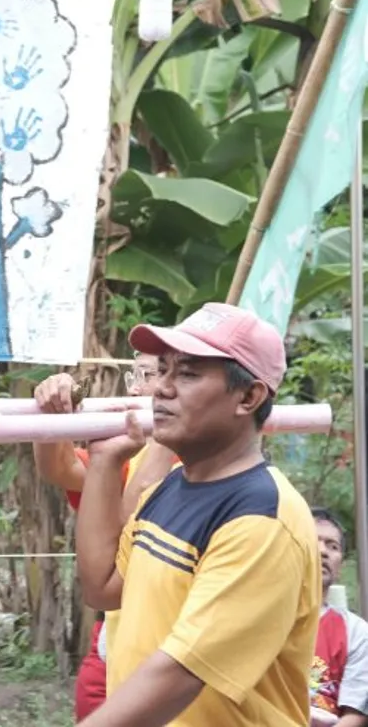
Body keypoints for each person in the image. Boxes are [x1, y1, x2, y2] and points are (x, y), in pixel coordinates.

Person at [76, 302, 322, 727]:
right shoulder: (171, 487)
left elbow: (180, 673)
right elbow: (103, 587)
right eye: (164, 370)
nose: (162, 389)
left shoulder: (262, 518)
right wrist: (104, 462)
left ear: (248, 396)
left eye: (187, 374)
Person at [32, 352, 177, 721]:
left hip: (183, 653)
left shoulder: (210, 464)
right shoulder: (122, 455)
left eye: (166, 372)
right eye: (142, 374)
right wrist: (54, 409)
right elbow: (59, 467)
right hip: (117, 648)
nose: (153, 386)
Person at [308, 508, 368, 727]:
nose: (323, 551)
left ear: (340, 566)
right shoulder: (262, 615)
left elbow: (355, 715)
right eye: (314, 541)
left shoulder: (356, 631)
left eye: (332, 546)